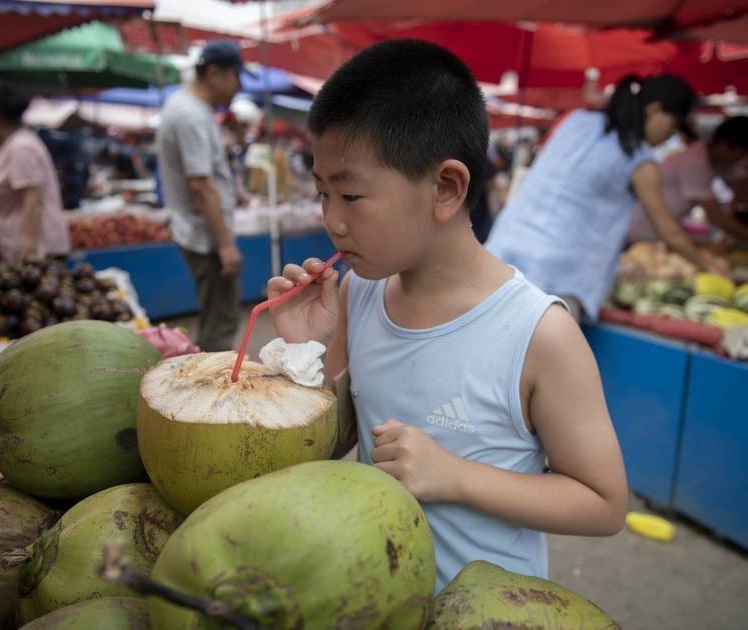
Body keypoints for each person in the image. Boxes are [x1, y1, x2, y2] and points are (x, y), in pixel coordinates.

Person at [266, 40, 627, 592]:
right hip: (373, 596)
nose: (333, 221)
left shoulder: (539, 334)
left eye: (351, 196)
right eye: (322, 195)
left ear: (446, 187)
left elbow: (602, 504)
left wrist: (453, 476)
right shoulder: (359, 293)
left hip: (490, 609)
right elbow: (336, 437)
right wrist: (302, 356)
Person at [484, 74, 725, 321]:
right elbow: (668, 232)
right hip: (556, 278)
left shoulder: (577, 120)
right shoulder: (640, 160)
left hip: (504, 251)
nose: (669, 137)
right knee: (535, 357)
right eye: (672, 128)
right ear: (655, 110)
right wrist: (709, 267)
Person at [157, 41, 251, 351]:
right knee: (220, 320)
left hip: (201, 231)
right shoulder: (191, 115)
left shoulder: (191, 111)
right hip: (205, 236)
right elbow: (200, 184)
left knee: (215, 314)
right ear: (214, 73)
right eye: (236, 76)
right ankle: (213, 383)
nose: (239, 86)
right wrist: (225, 244)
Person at [625, 116, 748, 254]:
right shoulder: (695, 162)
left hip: (656, 232)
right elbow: (715, 215)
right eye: (741, 153)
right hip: (639, 232)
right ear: (725, 145)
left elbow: (745, 194)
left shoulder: (718, 161)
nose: (741, 159)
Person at [0, 82, 71, 262]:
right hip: (28, 252)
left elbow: (33, 201)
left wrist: (29, 254)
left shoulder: (21, 147)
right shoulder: (12, 145)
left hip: (39, 253)